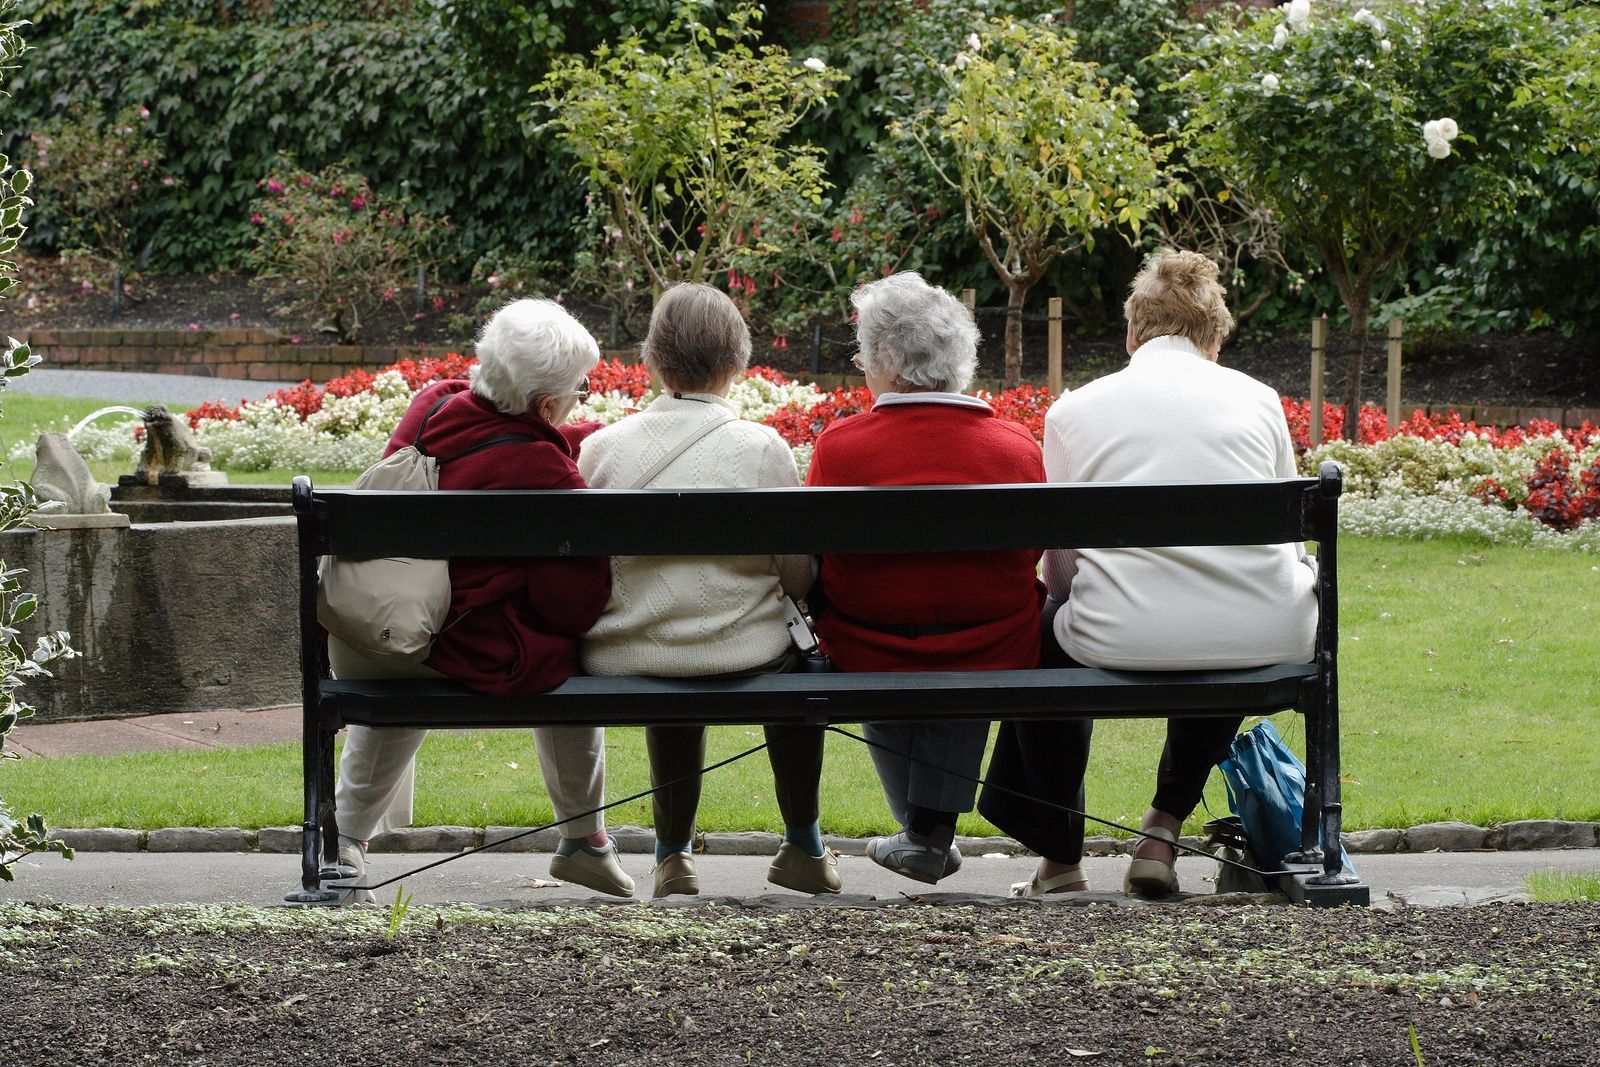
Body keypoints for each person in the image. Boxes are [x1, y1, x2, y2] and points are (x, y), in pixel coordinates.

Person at [980, 250, 1318, 897]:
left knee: (1040, 628)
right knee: (1226, 623)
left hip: (1122, 631)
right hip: (1263, 631)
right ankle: (1161, 830)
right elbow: (1279, 535)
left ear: (1132, 335)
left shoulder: (1075, 411)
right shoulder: (1260, 400)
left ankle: (1060, 857)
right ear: (1214, 339)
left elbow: (1061, 571)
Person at [331, 299, 635, 900]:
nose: (581, 398)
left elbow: (492, 448)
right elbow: (570, 606)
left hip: (365, 628)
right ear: (547, 405)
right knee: (564, 652)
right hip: (439, 644)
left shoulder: (433, 403)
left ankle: (342, 837)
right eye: (579, 390)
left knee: (414, 644)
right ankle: (584, 839)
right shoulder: (548, 477)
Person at [579, 283, 837, 898]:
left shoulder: (604, 448)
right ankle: (804, 842)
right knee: (797, 666)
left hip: (631, 647)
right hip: (743, 648)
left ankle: (673, 855)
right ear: (736, 361)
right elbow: (796, 572)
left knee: (672, 654)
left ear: (654, 359)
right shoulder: (761, 447)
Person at [806, 271, 1046, 885]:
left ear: (886, 361)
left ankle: (925, 834)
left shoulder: (843, 448)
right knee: (962, 630)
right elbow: (1030, 556)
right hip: (991, 645)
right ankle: (927, 831)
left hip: (868, 645)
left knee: (885, 625)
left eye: (863, 354)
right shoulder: (1015, 447)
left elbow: (815, 557)